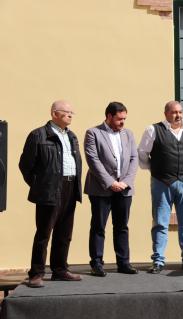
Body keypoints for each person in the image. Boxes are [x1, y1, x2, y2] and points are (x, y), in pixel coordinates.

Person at [19, 100, 82, 288]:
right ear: (55, 113)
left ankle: (60, 269)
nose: (71, 115)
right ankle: (36, 273)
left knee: (64, 233)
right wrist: (40, 185)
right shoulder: (38, 135)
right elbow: (25, 165)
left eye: (72, 112)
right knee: (44, 233)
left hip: (70, 187)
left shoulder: (71, 136)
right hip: (49, 188)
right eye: (67, 112)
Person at [138, 100, 183, 273]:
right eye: (174, 112)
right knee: (160, 222)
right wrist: (155, 169)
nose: (178, 115)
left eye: (180, 112)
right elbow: (142, 154)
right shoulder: (153, 130)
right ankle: (158, 261)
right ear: (166, 113)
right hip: (162, 182)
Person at [84, 102, 139, 277]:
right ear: (109, 116)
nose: (123, 122)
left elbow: (134, 158)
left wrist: (126, 181)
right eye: (119, 119)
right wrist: (110, 182)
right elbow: (93, 160)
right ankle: (97, 263)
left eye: (124, 118)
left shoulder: (128, 134)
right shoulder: (93, 133)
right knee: (99, 226)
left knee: (122, 226)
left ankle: (123, 262)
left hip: (124, 188)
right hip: (101, 189)